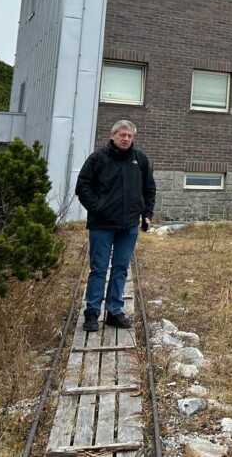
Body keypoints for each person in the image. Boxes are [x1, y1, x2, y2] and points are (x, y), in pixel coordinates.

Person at [75, 120, 155, 332]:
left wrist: (147, 213)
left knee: (120, 268)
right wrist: (98, 206)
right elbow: (82, 186)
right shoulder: (98, 159)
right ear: (112, 136)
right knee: (99, 269)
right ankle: (92, 312)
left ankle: (114, 311)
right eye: (122, 135)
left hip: (128, 226)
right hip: (102, 226)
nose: (126, 139)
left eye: (129, 136)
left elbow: (149, 188)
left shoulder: (140, 160)